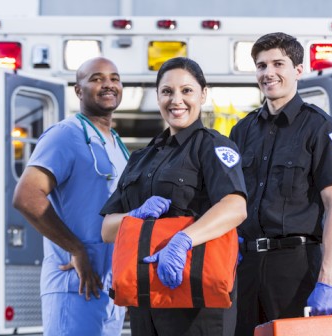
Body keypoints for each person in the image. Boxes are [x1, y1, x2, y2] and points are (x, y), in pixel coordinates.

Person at [100, 57, 247, 336]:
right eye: (167, 91)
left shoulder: (212, 146)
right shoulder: (141, 158)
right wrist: (133, 217)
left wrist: (183, 240)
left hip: (196, 300)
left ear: (203, 94)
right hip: (146, 301)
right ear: (157, 97)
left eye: (186, 91)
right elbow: (107, 229)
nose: (176, 100)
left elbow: (235, 206)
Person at [229, 32, 332, 334]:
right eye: (261, 66)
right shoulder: (241, 131)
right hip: (246, 269)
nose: (268, 73)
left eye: (277, 64)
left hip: (295, 268)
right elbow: (229, 202)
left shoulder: (320, 127)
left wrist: (326, 281)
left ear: (298, 70)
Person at [12, 57, 128, 336]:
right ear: (78, 90)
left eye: (114, 78)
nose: (108, 84)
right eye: (97, 78)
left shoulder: (115, 144)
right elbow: (27, 197)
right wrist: (76, 249)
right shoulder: (65, 135)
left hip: (109, 287)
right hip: (74, 283)